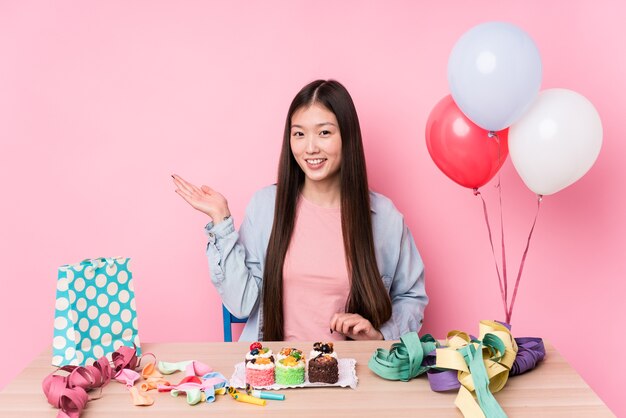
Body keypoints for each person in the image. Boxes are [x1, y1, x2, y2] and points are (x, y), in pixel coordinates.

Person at [172, 79, 427, 342]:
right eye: (299, 134)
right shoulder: (266, 207)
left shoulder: (383, 217)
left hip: (355, 375)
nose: (310, 148)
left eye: (324, 133)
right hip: (275, 375)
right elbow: (241, 304)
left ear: (347, 136)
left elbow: (412, 297)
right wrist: (221, 221)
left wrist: (380, 336)